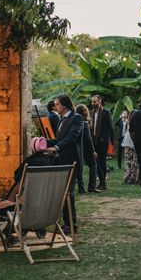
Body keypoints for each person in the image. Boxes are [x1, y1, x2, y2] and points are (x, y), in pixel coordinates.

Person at [45, 94, 83, 234]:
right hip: (61, 160)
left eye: (57, 104)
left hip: (72, 160)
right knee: (63, 192)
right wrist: (44, 143)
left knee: (69, 192)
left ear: (64, 106)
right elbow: (59, 139)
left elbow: (71, 138)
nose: (55, 107)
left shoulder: (76, 118)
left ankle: (72, 224)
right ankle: (66, 222)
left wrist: (56, 148)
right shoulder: (61, 119)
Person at [75, 104, 100, 193]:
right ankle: (91, 187)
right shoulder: (84, 123)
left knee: (79, 168)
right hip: (87, 149)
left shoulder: (76, 122)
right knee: (93, 165)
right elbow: (88, 139)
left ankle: (81, 188)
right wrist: (93, 151)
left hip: (78, 148)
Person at [90, 94, 113, 190]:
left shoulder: (106, 112)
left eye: (94, 102)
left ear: (99, 101)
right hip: (94, 139)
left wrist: (105, 137)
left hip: (103, 140)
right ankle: (101, 180)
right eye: (92, 102)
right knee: (97, 161)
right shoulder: (92, 112)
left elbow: (110, 127)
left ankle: (103, 183)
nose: (93, 103)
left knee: (102, 161)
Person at [122, 110, 139, 184]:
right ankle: (133, 177)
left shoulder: (128, 122)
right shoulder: (135, 123)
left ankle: (127, 177)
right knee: (134, 162)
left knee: (128, 162)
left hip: (127, 144)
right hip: (133, 143)